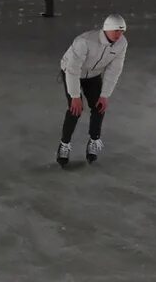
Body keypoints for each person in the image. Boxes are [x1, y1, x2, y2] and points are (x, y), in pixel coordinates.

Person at [55, 14, 129, 167]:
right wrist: (75, 96)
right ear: (106, 29)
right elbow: (73, 69)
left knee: (99, 107)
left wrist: (104, 95)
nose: (119, 35)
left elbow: (114, 70)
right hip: (72, 70)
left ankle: (94, 140)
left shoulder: (121, 43)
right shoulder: (85, 41)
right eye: (115, 31)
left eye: (121, 31)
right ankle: (64, 144)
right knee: (75, 109)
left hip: (93, 75)